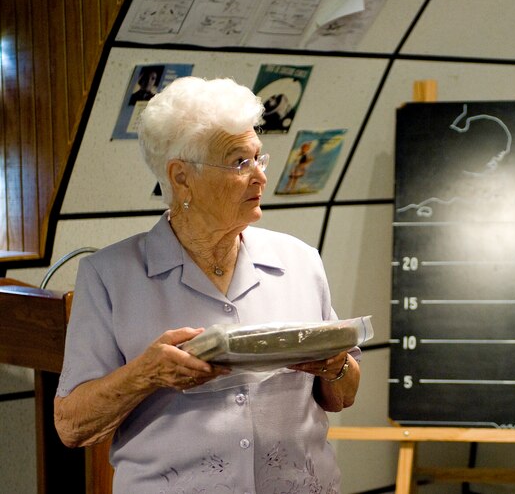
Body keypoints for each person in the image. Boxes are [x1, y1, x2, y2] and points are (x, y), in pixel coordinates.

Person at [54, 76, 361, 493]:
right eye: (239, 163)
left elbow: (343, 395)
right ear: (181, 178)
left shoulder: (300, 261)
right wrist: (146, 374)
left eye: (259, 158)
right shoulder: (109, 276)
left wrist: (333, 364)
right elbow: (72, 426)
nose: (260, 178)